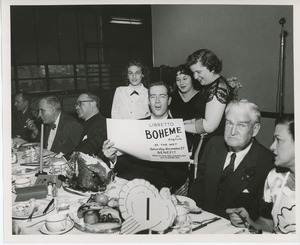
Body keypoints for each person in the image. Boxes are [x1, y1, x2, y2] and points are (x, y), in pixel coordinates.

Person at [188, 99, 274, 220]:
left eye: (241, 125)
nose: (233, 132)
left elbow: (261, 216)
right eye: (229, 123)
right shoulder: (213, 144)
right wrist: (185, 205)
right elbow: (200, 184)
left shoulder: (267, 163)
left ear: (255, 129)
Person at [103, 81, 189, 193]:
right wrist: (113, 158)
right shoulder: (137, 125)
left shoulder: (179, 130)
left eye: (162, 96)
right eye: (153, 97)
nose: (157, 101)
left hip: (156, 185)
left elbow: (180, 177)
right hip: (128, 179)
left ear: (169, 101)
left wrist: (165, 154)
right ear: (148, 101)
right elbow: (127, 164)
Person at [226, 115, 295, 234]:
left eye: (278, 140)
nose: (272, 147)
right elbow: (267, 224)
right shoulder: (274, 177)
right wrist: (248, 222)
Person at [184, 49, 234, 137]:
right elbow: (206, 114)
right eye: (193, 73)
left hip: (215, 143)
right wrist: (193, 121)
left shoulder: (218, 88)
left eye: (198, 72)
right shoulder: (210, 85)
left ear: (212, 68)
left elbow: (210, 126)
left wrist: (178, 128)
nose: (195, 77)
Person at [169, 64, 204, 155]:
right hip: (174, 144)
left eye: (185, 79)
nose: (181, 83)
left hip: (196, 145)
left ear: (192, 78)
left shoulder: (201, 98)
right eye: (178, 80)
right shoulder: (173, 97)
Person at [74, 92, 107, 159]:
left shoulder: (102, 124)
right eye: (76, 104)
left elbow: (87, 149)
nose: (77, 107)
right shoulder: (89, 124)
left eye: (80, 103)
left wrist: (64, 158)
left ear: (93, 104)